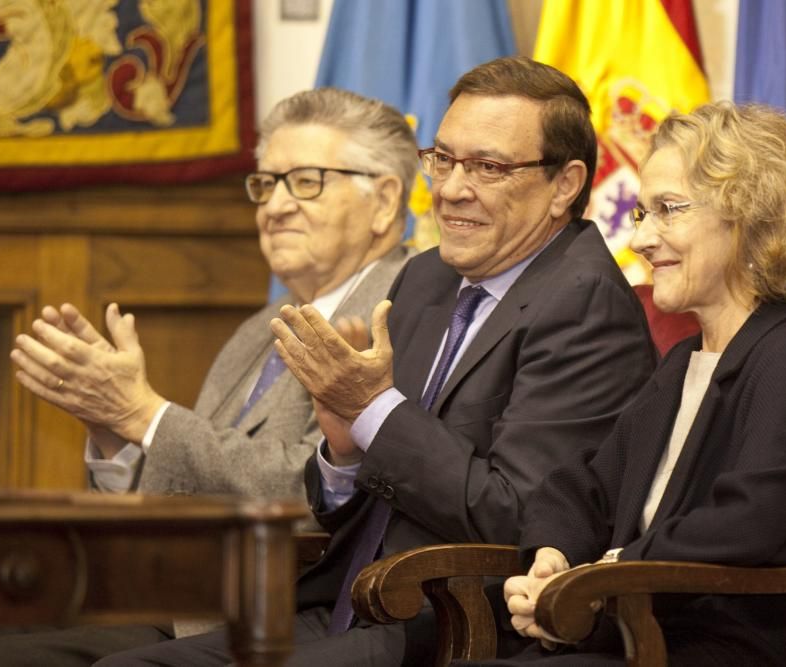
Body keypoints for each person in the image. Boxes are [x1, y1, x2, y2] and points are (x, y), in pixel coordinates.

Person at [98, 56, 657, 666]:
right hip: (338, 597)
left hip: (457, 622)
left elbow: (519, 516)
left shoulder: (586, 304)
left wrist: (374, 413)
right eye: (441, 160)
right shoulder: (427, 277)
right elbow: (368, 478)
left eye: (488, 167)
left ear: (565, 185)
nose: (449, 189)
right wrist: (342, 452)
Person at [0, 87, 416, 667]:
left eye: (306, 181)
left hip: (276, 616)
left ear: (386, 200)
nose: (275, 206)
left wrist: (145, 415)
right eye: (265, 184)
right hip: (171, 595)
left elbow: (317, 490)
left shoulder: (401, 311)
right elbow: (188, 489)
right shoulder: (256, 330)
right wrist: (115, 433)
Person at [479, 102, 786, 666]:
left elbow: (749, 524)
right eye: (641, 213)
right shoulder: (684, 360)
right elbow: (585, 486)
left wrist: (602, 576)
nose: (640, 240)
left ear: (753, 217)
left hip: (729, 647)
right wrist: (554, 559)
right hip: (643, 635)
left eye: (668, 210)